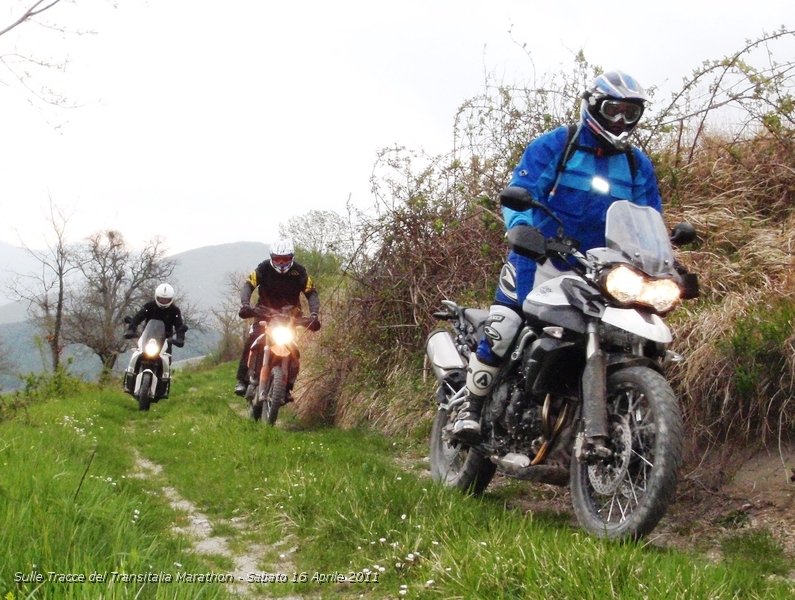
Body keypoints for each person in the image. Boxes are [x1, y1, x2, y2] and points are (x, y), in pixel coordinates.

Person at [451, 70, 663, 444]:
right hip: (541, 256)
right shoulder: (557, 144)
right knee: (505, 326)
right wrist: (520, 229)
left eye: (630, 114)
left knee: (632, 331)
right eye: (613, 109)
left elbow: (651, 217)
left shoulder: (636, 164)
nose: (619, 121)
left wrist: (666, 260)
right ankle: (470, 407)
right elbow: (521, 190)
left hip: (604, 269)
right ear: (594, 106)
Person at [234, 238, 321, 396]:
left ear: (291, 257)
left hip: (290, 317)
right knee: (252, 338)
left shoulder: (300, 271)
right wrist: (246, 305)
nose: (281, 263)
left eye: (285, 259)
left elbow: (311, 293)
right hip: (264, 313)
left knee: (293, 349)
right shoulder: (263, 268)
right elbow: (248, 285)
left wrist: (314, 315)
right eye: (277, 259)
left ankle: (287, 386)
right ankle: (242, 379)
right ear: (272, 258)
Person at [124, 282, 188, 349]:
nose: (163, 301)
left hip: (165, 342)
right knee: (137, 352)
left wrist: (180, 338)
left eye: (166, 299)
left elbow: (179, 326)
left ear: (171, 299)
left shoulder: (175, 311)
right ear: (156, 297)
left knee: (167, 357)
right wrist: (131, 329)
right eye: (161, 299)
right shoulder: (149, 306)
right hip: (146, 339)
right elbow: (138, 317)